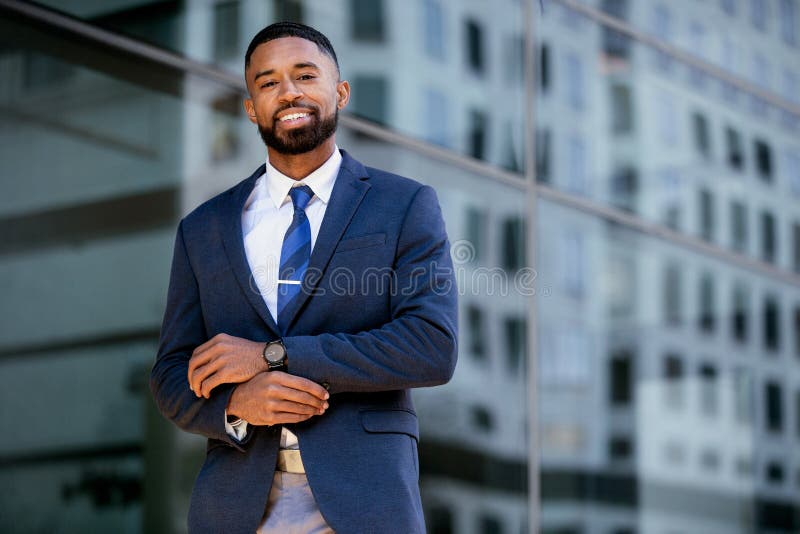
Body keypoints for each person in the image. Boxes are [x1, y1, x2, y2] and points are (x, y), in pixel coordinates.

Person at [150, 21, 458, 534]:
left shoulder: (404, 204)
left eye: (304, 75)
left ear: (339, 92)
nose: (287, 91)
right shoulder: (203, 229)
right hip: (236, 509)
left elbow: (431, 345)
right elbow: (171, 374)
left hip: (365, 506)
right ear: (252, 108)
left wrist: (276, 357)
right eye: (267, 82)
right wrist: (235, 408)